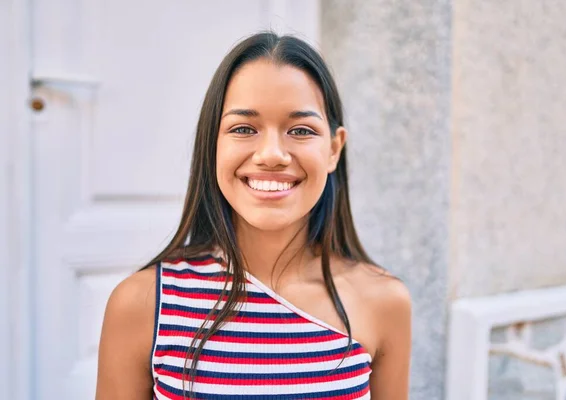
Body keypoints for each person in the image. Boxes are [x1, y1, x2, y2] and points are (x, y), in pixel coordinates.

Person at [96, 31, 411, 400]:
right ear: (212, 143)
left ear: (333, 149)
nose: (272, 154)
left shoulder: (383, 301)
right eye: (244, 128)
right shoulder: (142, 304)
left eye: (301, 130)